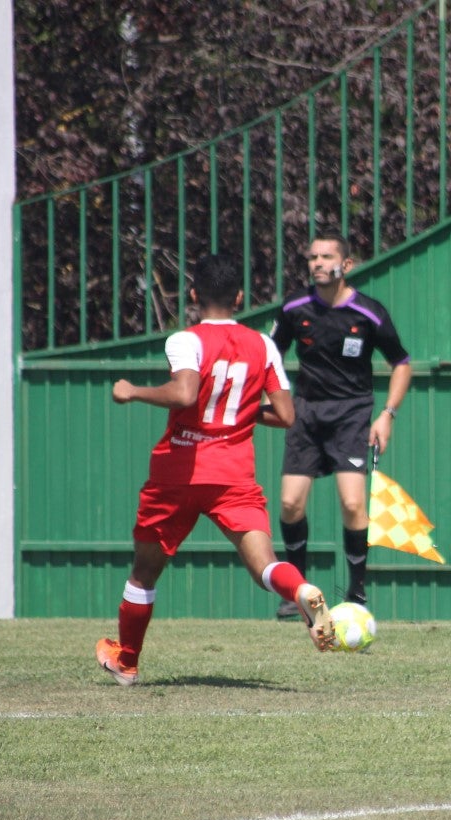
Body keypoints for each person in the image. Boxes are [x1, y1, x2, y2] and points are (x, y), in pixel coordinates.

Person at [96, 254, 337, 685]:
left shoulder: (184, 340)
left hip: (178, 473)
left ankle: (127, 662)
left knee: (145, 571)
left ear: (193, 295)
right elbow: (285, 415)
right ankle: (299, 590)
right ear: (240, 297)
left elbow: (185, 393)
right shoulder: (262, 344)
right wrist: (243, 414)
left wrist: (133, 391)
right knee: (265, 566)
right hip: (233, 472)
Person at [270, 231, 411, 617]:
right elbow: (272, 355)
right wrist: (278, 401)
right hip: (306, 414)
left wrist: (387, 414)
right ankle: (295, 591)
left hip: (351, 414)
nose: (316, 263)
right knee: (289, 503)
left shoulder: (369, 312)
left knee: (352, 503)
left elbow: (401, 362)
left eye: (326, 256)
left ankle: (357, 593)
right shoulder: (294, 307)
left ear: (346, 265)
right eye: (312, 256)